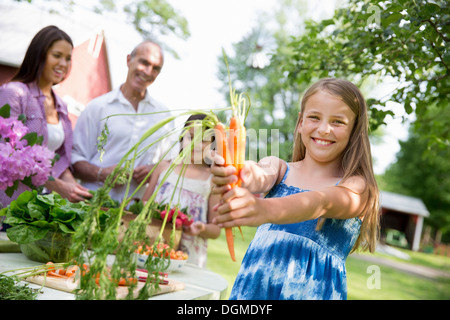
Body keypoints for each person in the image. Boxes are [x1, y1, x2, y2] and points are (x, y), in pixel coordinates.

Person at [211, 78, 380, 300]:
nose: (324, 129)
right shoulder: (280, 169)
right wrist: (237, 173)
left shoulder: (357, 187)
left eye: (338, 121)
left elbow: (322, 202)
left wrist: (263, 209)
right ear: (300, 123)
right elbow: (258, 174)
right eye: (314, 117)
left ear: (354, 131)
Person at [0, 25, 92, 214]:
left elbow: (59, 159)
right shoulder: (14, 93)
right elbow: (7, 157)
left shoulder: (61, 106)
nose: (63, 64)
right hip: (8, 205)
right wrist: (57, 185)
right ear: (39, 54)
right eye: (57, 55)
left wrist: (76, 190)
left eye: (68, 58)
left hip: (39, 209)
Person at [71, 40, 177, 201]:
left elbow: (171, 165)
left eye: (156, 68)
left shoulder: (164, 117)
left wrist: (154, 171)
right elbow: (75, 158)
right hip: (91, 205)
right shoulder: (98, 107)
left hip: (134, 213)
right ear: (129, 60)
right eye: (144, 62)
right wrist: (101, 173)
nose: (148, 72)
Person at [142, 114, 221, 268]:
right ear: (182, 138)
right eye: (191, 137)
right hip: (152, 244)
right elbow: (144, 203)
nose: (196, 144)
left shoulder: (212, 180)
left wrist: (201, 228)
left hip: (187, 257)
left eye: (203, 140)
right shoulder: (164, 167)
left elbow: (216, 230)